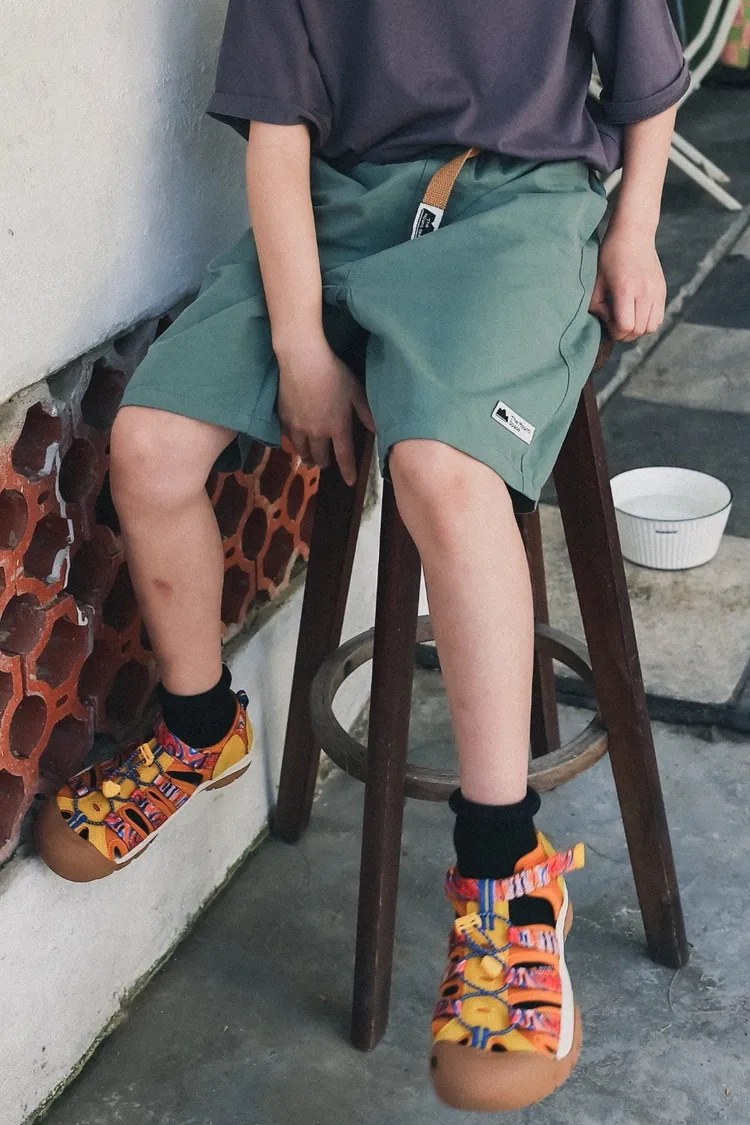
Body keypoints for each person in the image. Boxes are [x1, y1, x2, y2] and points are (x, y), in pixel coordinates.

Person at [36, 0, 688, 1110]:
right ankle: (201, 727)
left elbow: (647, 83)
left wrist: (633, 227)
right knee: (147, 448)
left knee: (439, 470)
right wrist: (300, 343)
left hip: (518, 208)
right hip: (335, 212)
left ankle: (506, 867)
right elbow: (279, 141)